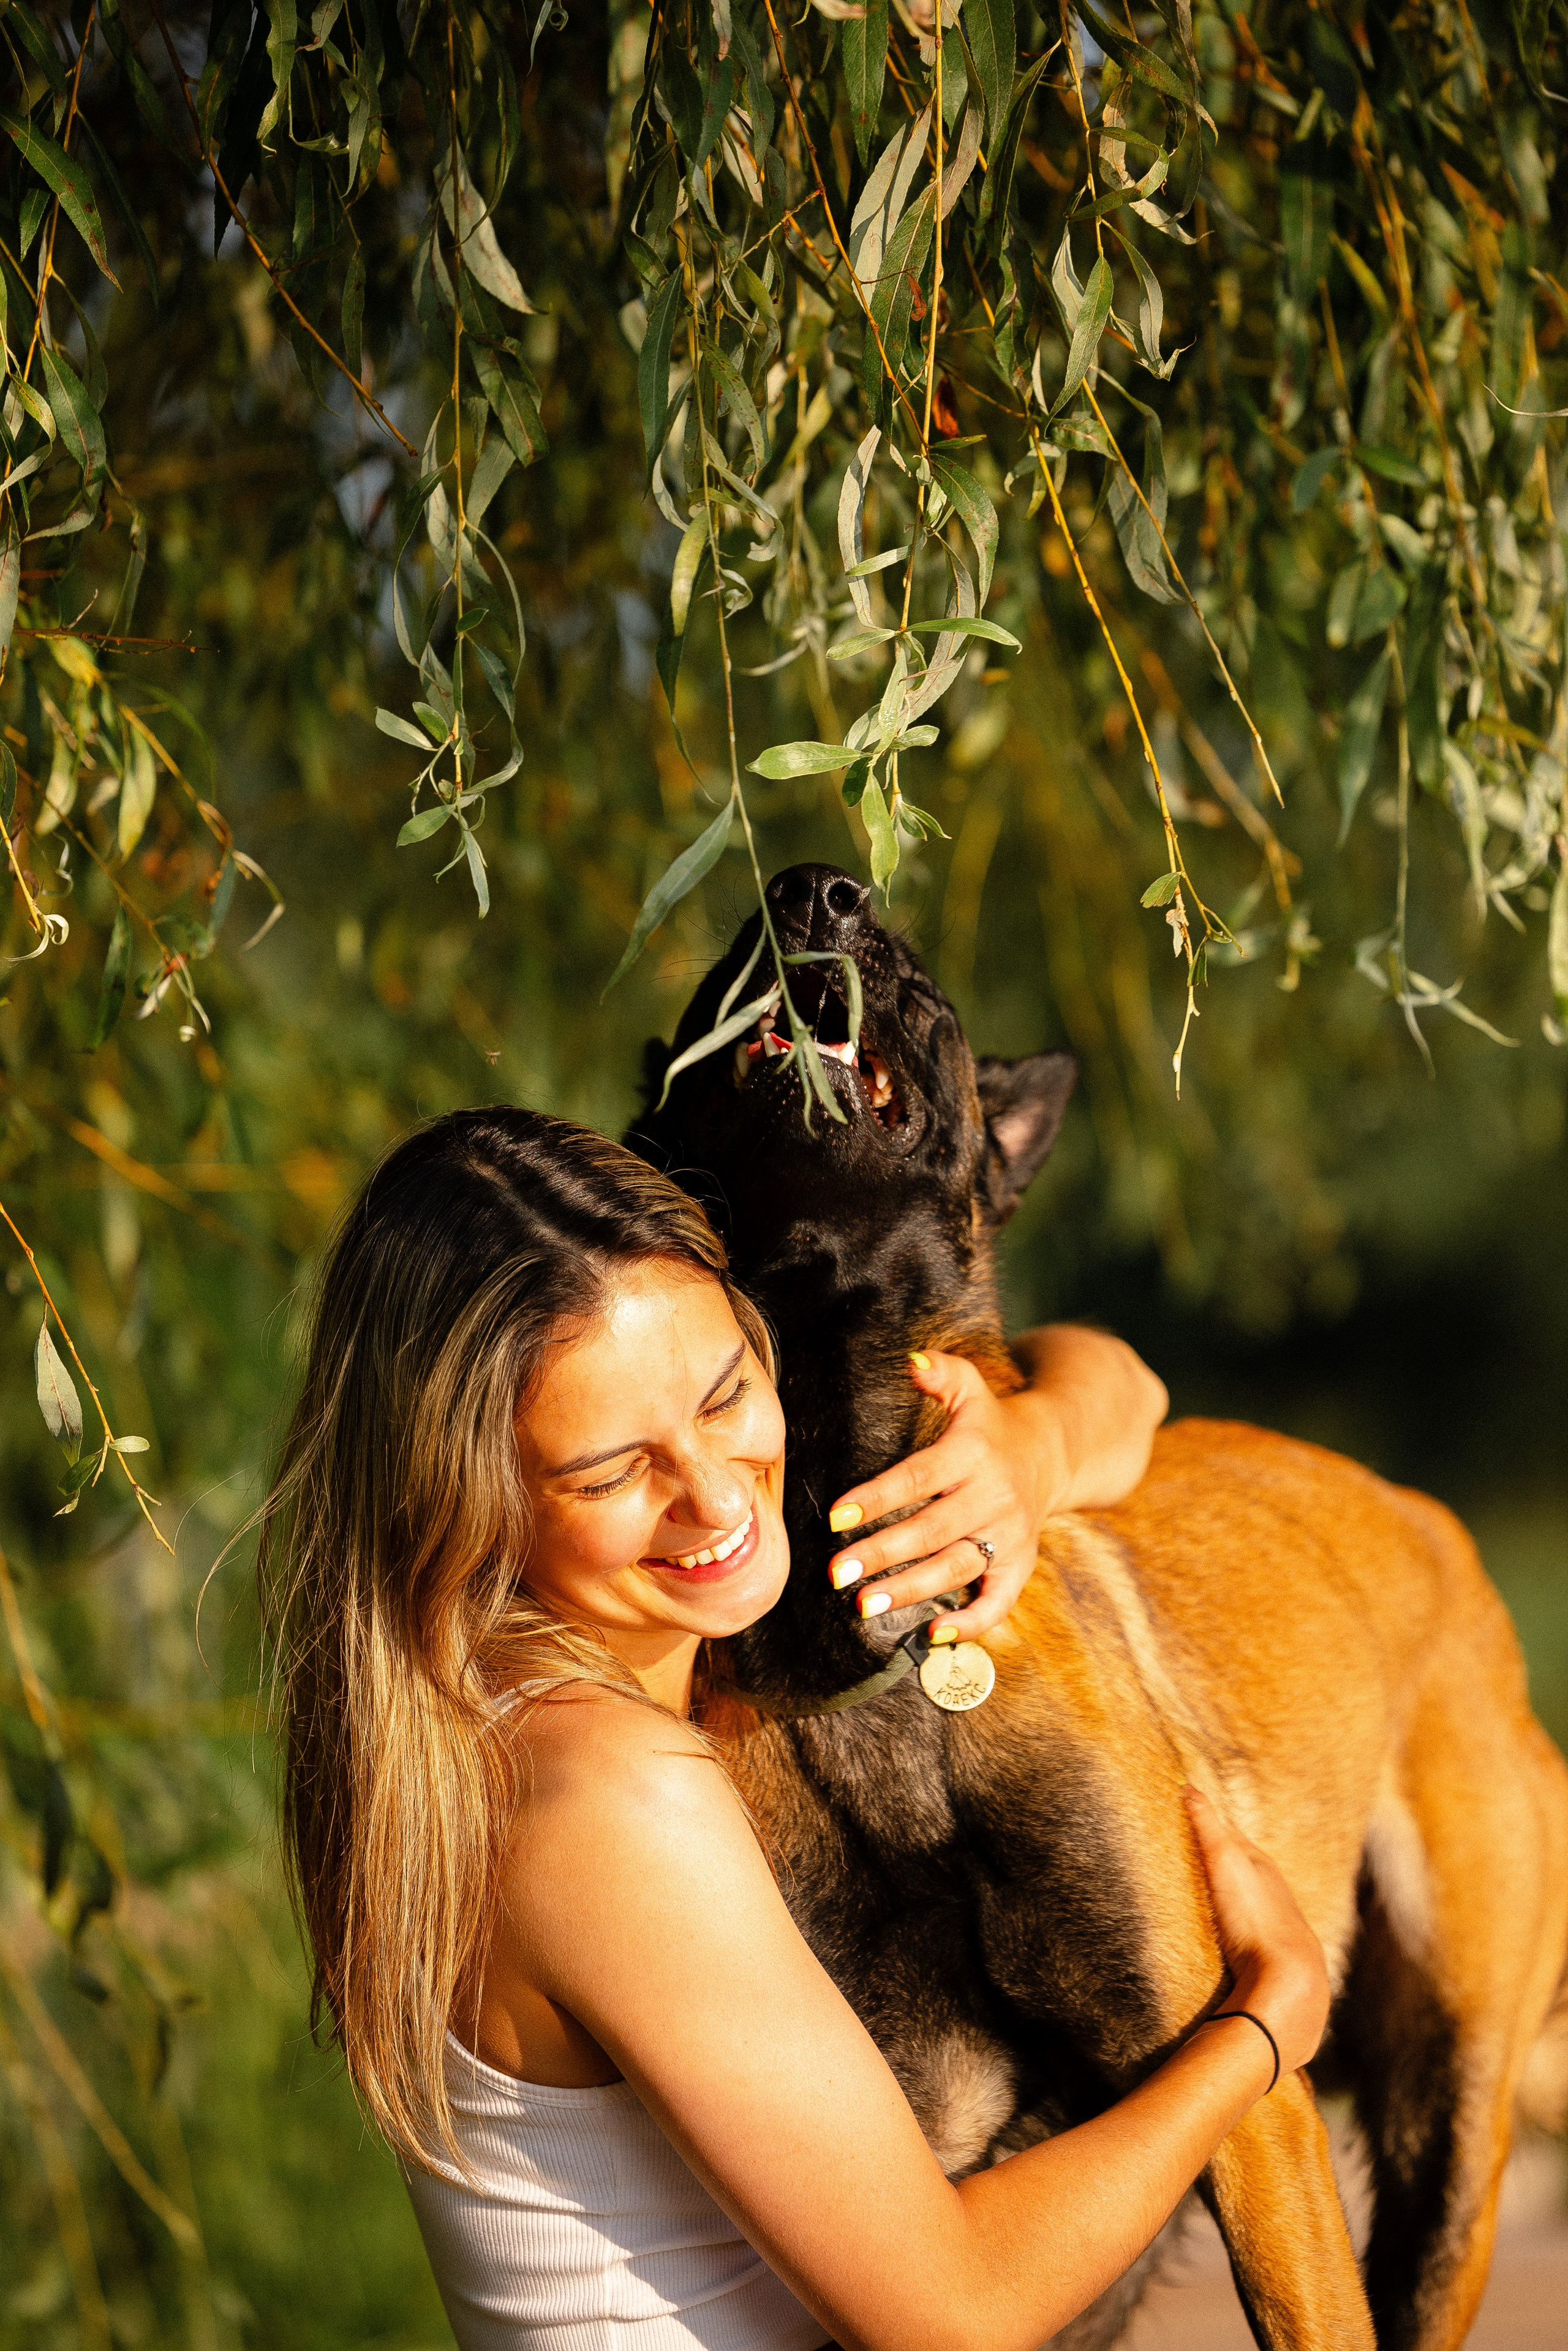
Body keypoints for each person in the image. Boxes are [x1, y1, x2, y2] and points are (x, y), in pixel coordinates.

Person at [259, 1108, 1328, 2351]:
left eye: (725, 1393)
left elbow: (1121, 1381)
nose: (713, 1494)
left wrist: (1024, 1447)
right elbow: (954, 2308)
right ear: (465, 1496)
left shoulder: (473, 1709)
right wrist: (1258, 2026)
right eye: (610, 1471)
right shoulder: (607, 1789)